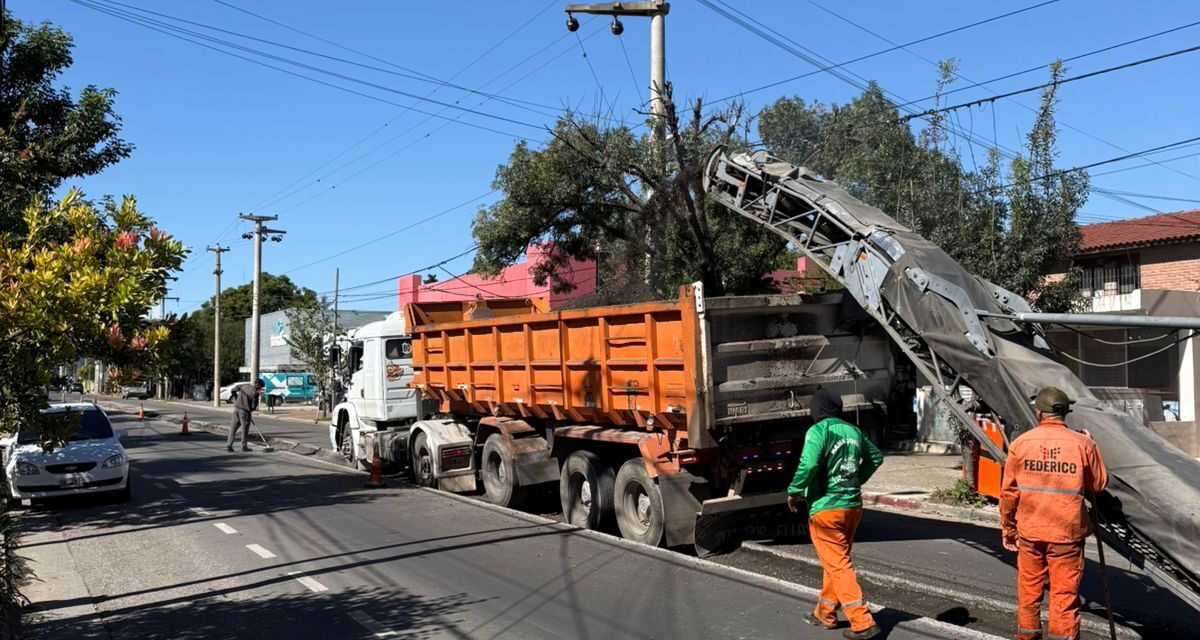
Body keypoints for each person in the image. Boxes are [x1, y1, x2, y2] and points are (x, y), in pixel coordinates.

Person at [1000, 387, 1108, 640]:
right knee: (1064, 597)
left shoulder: (1020, 444)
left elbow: (1008, 494)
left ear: (1038, 412)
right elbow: (1098, 484)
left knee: (1029, 593)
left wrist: (1008, 528)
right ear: (1065, 413)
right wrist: (1092, 443)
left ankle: (1028, 636)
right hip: (1067, 535)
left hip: (1030, 532)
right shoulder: (1082, 443)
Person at [788, 388, 884, 640]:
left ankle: (862, 621)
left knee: (839, 564)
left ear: (816, 410)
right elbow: (875, 457)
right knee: (836, 560)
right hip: (852, 506)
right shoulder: (853, 430)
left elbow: (808, 464)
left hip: (826, 508)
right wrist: (855, 480)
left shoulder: (819, 431)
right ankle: (825, 613)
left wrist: (795, 490)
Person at [226, 379, 264, 452]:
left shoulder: (244, 386)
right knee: (244, 430)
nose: (260, 389)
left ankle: (229, 445)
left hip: (236, 410)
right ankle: (244, 447)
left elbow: (233, 390)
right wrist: (249, 411)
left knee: (233, 429)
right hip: (244, 412)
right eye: (260, 387)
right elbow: (253, 406)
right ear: (258, 385)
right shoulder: (255, 393)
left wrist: (236, 398)